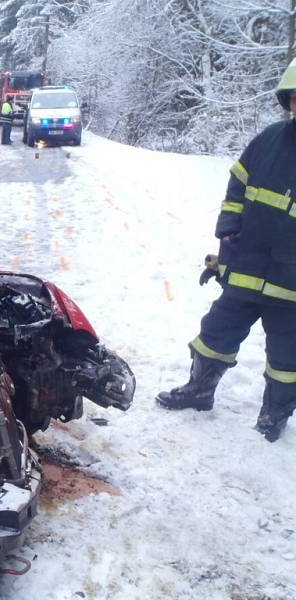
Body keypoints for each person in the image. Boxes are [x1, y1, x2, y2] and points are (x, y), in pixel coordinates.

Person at [156, 59, 296, 442]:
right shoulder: (269, 140)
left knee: (288, 358)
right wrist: (229, 235)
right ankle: (199, 390)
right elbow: (238, 187)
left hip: (292, 288)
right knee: (215, 331)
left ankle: (274, 416)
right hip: (248, 267)